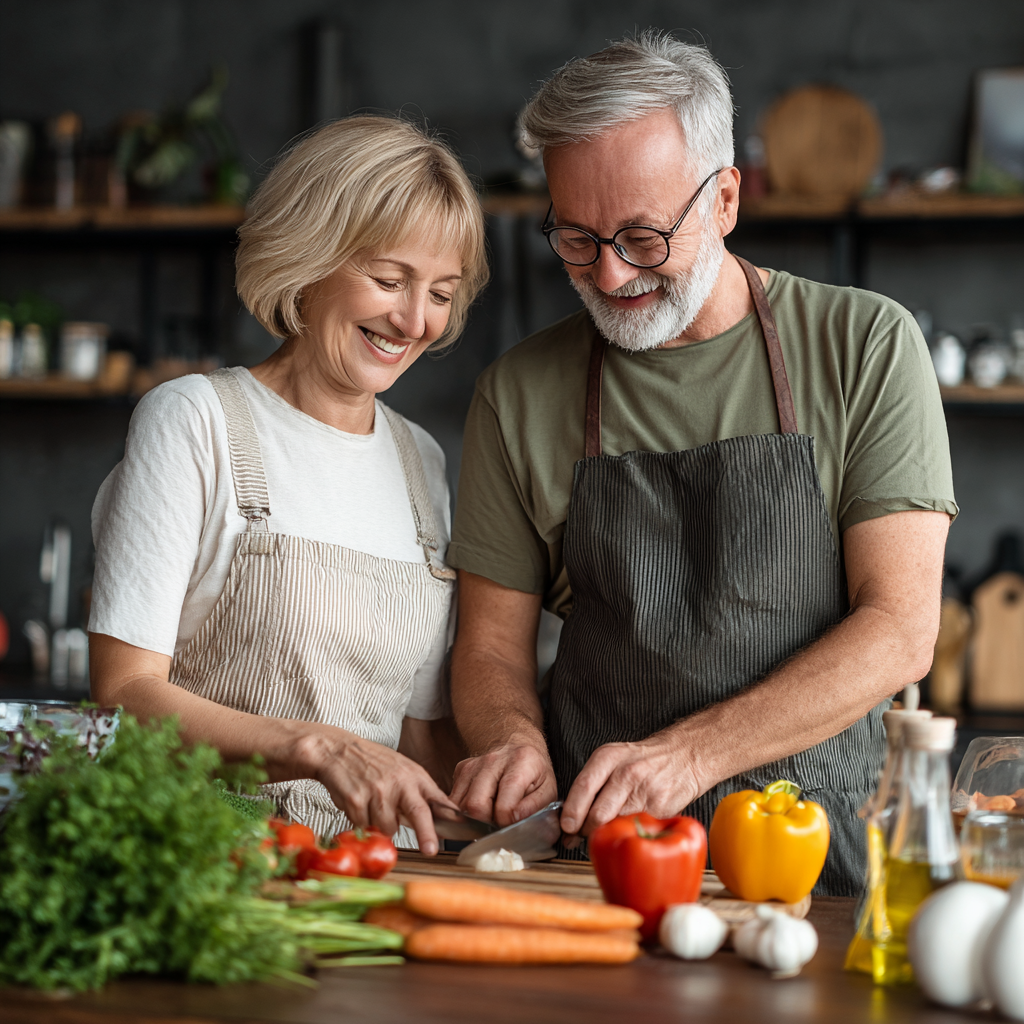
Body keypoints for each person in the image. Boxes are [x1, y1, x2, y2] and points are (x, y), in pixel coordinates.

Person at [445, 32, 956, 893]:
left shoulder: (863, 344)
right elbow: (490, 650)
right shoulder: (519, 392)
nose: (609, 276)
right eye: (575, 238)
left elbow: (900, 631)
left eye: (643, 236)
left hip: (818, 864)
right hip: (601, 866)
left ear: (724, 199)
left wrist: (689, 755)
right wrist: (512, 741)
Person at [89, 116, 488, 855]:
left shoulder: (420, 461)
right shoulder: (194, 422)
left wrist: (496, 806)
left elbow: (415, 732)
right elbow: (123, 693)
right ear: (309, 258)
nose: (414, 320)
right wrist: (319, 748)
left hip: (369, 879)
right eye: (389, 279)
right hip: (204, 864)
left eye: (441, 291)